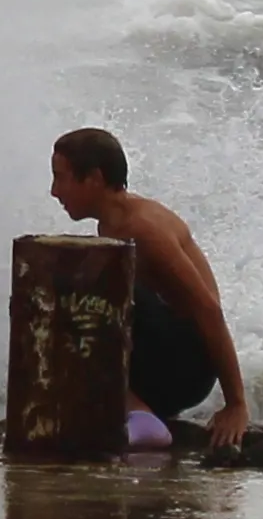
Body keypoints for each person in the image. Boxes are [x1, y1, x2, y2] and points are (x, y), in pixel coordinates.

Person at [45, 126, 250, 455]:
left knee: (84, 295)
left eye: (61, 177)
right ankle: (137, 414)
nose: (54, 191)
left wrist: (236, 404)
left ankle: (141, 417)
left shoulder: (143, 229)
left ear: (94, 178)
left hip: (188, 367)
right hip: (165, 359)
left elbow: (207, 308)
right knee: (78, 286)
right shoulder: (112, 225)